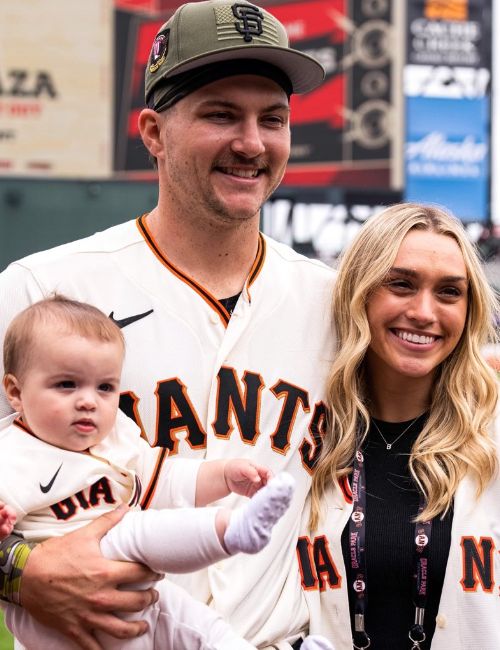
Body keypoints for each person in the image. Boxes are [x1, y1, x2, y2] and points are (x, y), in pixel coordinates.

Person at [0, 2, 335, 649]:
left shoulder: (333, 302)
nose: (251, 142)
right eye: (220, 114)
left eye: (273, 118)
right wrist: (20, 573)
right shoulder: (43, 290)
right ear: (152, 131)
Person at [0, 295, 300, 650]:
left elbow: (167, 482)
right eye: (67, 384)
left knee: (198, 625)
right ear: (15, 392)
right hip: (54, 612)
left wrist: (224, 477)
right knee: (133, 529)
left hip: (137, 595)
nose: (88, 401)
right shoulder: (12, 453)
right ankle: (234, 532)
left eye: (105, 387)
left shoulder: (116, 435)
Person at [296, 203, 500, 649]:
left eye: (449, 292)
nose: (424, 312)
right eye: (401, 284)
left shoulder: (492, 434)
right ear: (360, 291)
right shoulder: (300, 430)